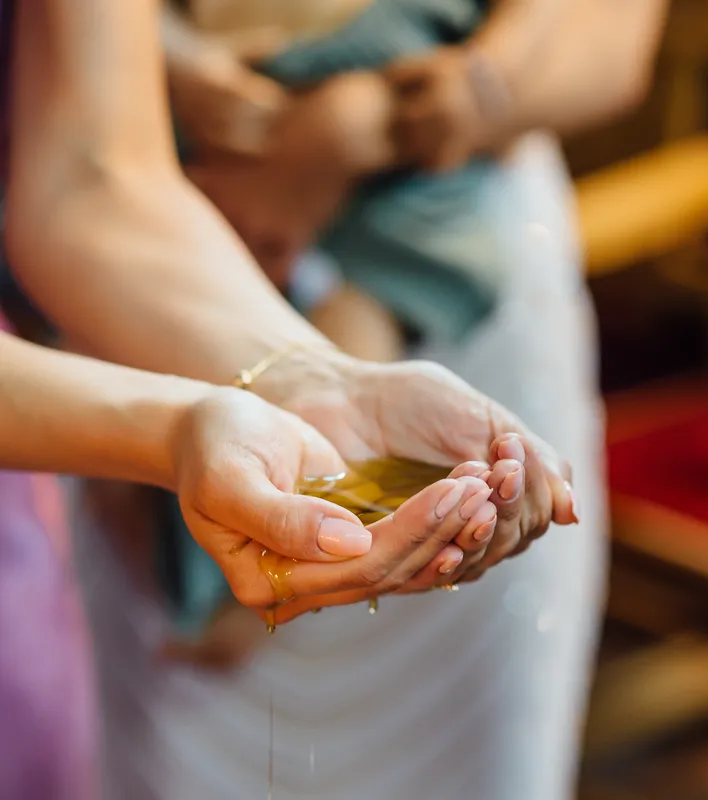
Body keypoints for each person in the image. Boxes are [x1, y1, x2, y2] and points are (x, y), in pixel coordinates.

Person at [78, 1, 667, 799]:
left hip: (438, 206)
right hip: (147, 246)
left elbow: (606, 34)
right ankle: (203, 587)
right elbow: (80, 152)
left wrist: (371, 124)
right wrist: (169, 69)